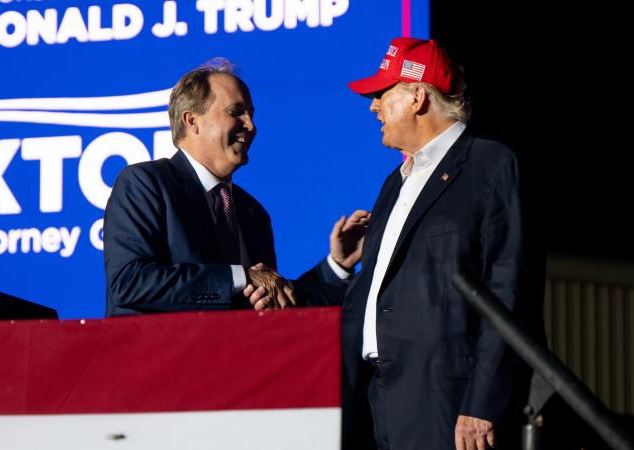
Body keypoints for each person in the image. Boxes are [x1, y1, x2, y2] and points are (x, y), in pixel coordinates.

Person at [249, 37, 536, 450]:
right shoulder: (394, 183)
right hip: (376, 399)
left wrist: (482, 403)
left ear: (418, 96)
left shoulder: (490, 165)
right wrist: (321, 276)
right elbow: (373, 297)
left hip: (447, 403)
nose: (373, 107)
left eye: (382, 94)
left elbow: (509, 291)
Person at [103, 59, 295, 316]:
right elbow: (129, 282)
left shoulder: (252, 212)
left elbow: (272, 293)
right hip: (162, 355)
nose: (251, 125)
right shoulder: (145, 184)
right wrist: (239, 277)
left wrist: (335, 266)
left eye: (251, 113)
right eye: (236, 112)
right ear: (192, 120)